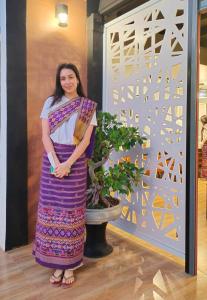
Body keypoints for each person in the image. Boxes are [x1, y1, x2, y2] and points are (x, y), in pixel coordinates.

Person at [33, 63, 97, 288]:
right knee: (53, 212)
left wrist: (68, 164)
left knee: (71, 215)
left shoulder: (87, 107)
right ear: (59, 82)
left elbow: (85, 141)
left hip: (75, 163)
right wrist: (56, 164)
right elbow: (45, 137)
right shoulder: (50, 103)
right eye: (63, 79)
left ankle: (69, 264)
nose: (67, 82)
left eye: (71, 77)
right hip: (52, 162)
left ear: (78, 79)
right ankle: (56, 264)